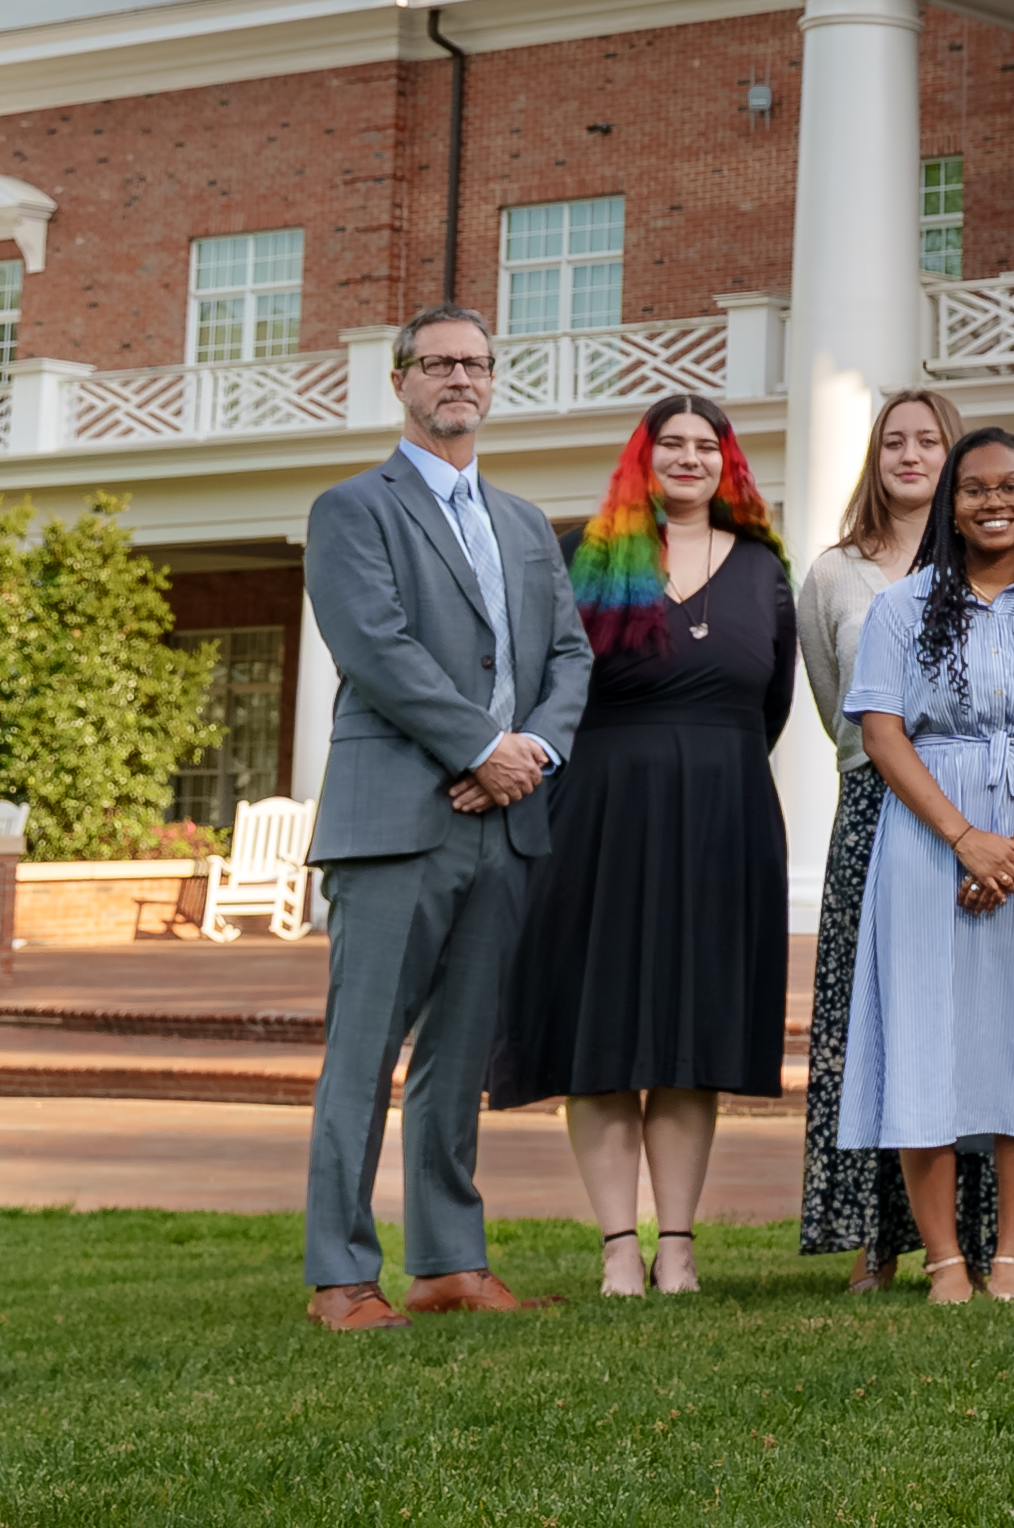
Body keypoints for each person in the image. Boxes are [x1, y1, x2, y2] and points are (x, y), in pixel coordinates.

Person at [297, 305, 591, 1330]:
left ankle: (447, 1263)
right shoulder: (352, 510)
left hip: (502, 823)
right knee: (362, 1054)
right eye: (438, 364)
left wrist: (531, 755)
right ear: (401, 380)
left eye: (475, 364)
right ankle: (339, 1277)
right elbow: (375, 649)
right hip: (394, 824)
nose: (459, 378)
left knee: (459, 1057)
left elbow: (569, 658)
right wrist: (482, 748)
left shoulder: (522, 524)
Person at [494, 393, 794, 1298]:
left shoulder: (765, 570)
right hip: (603, 815)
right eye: (674, 444)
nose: (692, 459)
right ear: (645, 458)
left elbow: (772, 705)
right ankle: (618, 1245)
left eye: (709, 446)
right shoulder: (590, 558)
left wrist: (706, 766)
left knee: (692, 1033)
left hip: (725, 816)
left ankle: (681, 1244)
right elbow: (546, 685)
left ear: (728, 464)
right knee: (604, 1029)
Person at [839, 427, 1014, 1301]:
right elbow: (880, 731)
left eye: (1012, 486)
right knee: (925, 1033)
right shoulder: (902, 606)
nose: (994, 501)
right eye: (975, 489)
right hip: (929, 838)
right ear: (951, 507)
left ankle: (1010, 1259)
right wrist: (965, 837)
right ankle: (943, 1261)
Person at [796, 387, 956, 1292]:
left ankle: (971, 1228)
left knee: (963, 1014)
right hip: (874, 805)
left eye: (927, 441)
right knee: (873, 1020)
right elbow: (834, 704)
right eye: (893, 441)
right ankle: (874, 1235)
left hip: (976, 812)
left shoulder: (988, 562)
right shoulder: (834, 573)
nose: (909, 455)